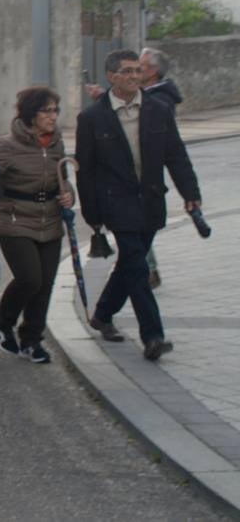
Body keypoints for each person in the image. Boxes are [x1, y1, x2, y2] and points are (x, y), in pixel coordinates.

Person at [77, 49, 201, 362]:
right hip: (116, 204)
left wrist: (190, 192)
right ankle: (153, 336)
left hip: (151, 201)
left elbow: (175, 154)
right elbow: (86, 170)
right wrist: (92, 214)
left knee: (130, 265)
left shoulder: (158, 109)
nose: (134, 76)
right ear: (111, 77)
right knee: (137, 264)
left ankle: (102, 314)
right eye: (126, 71)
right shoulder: (91, 118)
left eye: (137, 71)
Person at [0, 87, 72, 364]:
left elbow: (64, 180)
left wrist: (69, 195)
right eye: (47, 110)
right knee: (30, 278)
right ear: (31, 114)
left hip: (51, 221)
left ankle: (32, 340)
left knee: (45, 284)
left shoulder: (56, 144)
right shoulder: (6, 146)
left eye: (56, 110)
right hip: (15, 221)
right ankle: (0, 320)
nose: (53, 116)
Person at [139, 47, 180, 288]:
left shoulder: (160, 98)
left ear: (153, 71)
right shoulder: (152, 94)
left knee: (139, 223)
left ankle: (148, 269)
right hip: (143, 174)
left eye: (141, 67)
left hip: (148, 175)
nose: (136, 71)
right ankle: (146, 267)